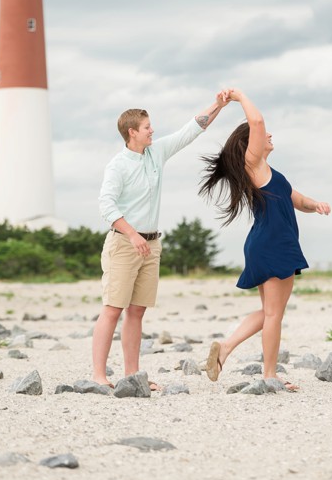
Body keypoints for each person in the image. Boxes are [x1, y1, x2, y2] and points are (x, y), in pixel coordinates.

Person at [93, 91, 231, 390]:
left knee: (137, 310)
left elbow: (191, 130)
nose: (152, 130)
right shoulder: (118, 165)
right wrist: (131, 235)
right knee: (113, 308)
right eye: (147, 127)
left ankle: (132, 374)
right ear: (133, 132)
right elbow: (107, 205)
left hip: (152, 244)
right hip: (123, 244)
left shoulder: (157, 152)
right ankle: (98, 376)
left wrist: (218, 105)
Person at [199, 88, 330, 391]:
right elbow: (256, 122)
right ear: (251, 145)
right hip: (272, 243)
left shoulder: (272, 173)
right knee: (274, 315)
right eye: (264, 135)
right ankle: (269, 375)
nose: (269, 135)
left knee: (271, 312)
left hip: (271, 242)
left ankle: (227, 348)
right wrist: (239, 96)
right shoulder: (253, 164)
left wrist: (317, 205)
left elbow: (297, 200)